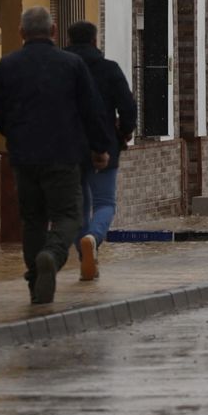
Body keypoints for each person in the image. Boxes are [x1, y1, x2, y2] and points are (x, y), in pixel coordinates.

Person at [0, 7, 110, 305]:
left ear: (21, 33)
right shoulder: (72, 64)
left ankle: (35, 282)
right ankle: (51, 257)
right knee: (69, 214)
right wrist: (100, 147)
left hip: (24, 156)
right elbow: (91, 111)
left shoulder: (8, 65)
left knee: (32, 220)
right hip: (64, 155)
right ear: (53, 32)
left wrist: (14, 133)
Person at [65, 21, 137, 282]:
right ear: (96, 41)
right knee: (105, 202)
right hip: (104, 144)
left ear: (69, 41)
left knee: (79, 206)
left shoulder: (62, 68)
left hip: (68, 146)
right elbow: (128, 107)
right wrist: (125, 132)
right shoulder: (109, 69)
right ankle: (93, 239)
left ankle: (86, 258)